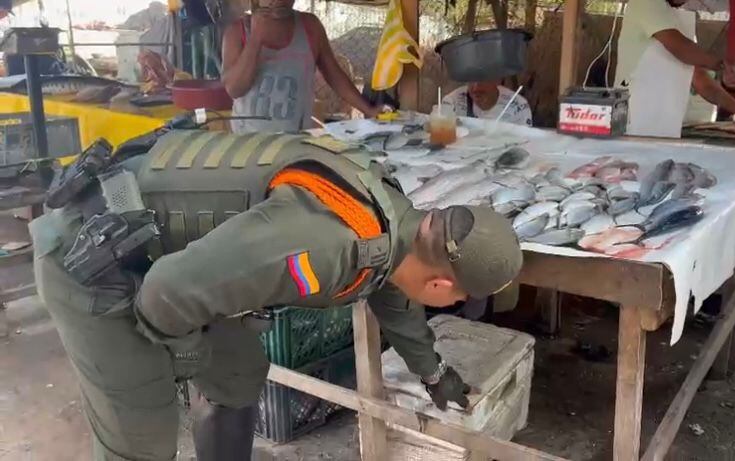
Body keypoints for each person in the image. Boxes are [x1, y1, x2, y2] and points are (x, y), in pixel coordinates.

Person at [30, 129, 523, 460]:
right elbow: (166, 294)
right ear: (441, 285)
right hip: (93, 260)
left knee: (239, 372)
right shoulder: (331, 245)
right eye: (455, 300)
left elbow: (390, 293)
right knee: (142, 435)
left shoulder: (394, 219)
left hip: (164, 258)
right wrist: (181, 359)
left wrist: (432, 373)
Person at [221, 0, 382, 133]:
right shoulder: (237, 32)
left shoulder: (310, 26)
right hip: (249, 143)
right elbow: (235, 89)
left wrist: (368, 110)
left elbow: (334, 75)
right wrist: (256, 39)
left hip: (296, 142)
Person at [615, 0, 735, 127]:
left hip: (667, 122)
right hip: (634, 113)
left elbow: (701, 80)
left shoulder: (678, 19)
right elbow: (680, 47)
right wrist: (722, 65)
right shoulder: (646, 3)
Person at [441, 80, 533, 126]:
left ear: (497, 80)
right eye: (471, 80)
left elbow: (524, 144)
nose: (476, 88)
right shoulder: (452, 102)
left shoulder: (518, 107)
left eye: (482, 80)